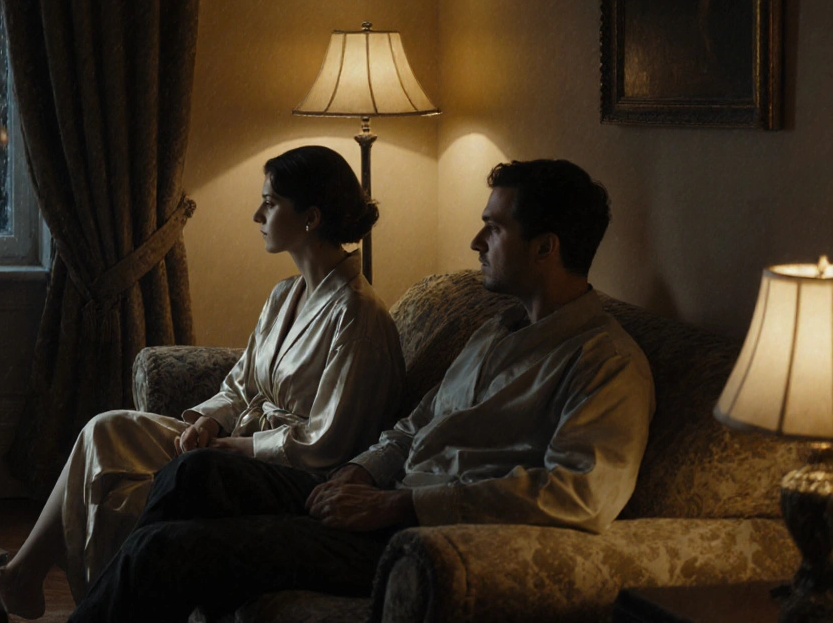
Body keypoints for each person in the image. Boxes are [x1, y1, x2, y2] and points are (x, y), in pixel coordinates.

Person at [67, 159, 657, 623]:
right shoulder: (495, 328)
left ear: (546, 247)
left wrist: (401, 504)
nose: (477, 241)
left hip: (414, 538)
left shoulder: (604, 364)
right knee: (193, 472)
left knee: (167, 551)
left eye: (495, 227)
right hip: (374, 501)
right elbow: (413, 425)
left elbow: (579, 494)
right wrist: (365, 473)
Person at [0, 145, 407, 619]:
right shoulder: (285, 295)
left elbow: (330, 442)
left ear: (311, 216)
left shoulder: (357, 315)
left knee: (143, 485)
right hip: (240, 443)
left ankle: (100, 601)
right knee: (107, 428)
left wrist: (239, 450)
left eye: (270, 202)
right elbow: (239, 385)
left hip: (290, 471)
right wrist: (211, 424)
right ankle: (26, 573)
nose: (258, 213)